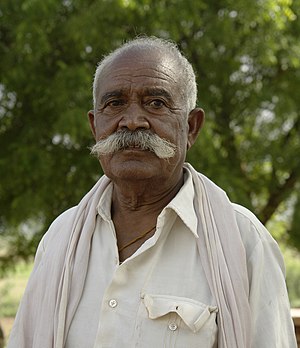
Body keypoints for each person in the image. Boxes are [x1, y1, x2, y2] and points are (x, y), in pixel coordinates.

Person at [8, 36, 297, 348]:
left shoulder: (244, 242)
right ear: (95, 126)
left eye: (156, 103)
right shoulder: (61, 238)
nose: (132, 122)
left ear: (192, 127)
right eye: (115, 103)